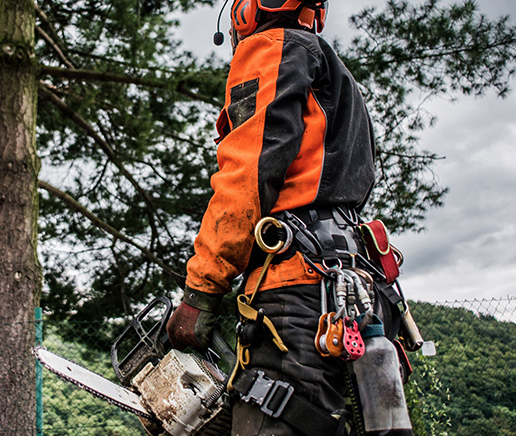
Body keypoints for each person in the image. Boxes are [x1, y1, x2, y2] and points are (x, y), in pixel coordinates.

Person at [167, 1, 415, 435]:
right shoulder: (339, 79)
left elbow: (247, 172)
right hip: (357, 291)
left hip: (299, 294)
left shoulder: (270, 48)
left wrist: (202, 291)